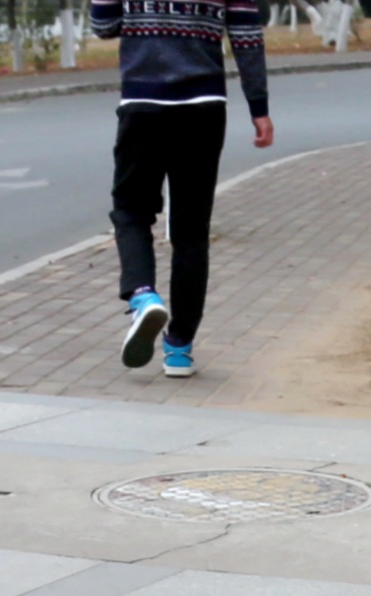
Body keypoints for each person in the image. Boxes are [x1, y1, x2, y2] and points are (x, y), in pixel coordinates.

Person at [90, 0, 273, 378]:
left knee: (131, 210)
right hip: (203, 108)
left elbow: (104, 26)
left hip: (143, 103)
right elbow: (246, 37)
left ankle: (142, 296)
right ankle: (179, 349)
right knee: (191, 230)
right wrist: (259, 108)